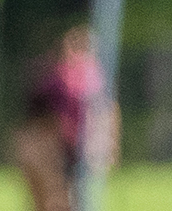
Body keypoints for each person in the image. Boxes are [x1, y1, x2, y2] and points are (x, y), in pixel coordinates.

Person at [14, 26, 116, 211]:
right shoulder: (56, 81)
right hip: (54, 148)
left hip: (78, 149)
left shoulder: (94, 80)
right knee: (54, 200)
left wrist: (105, 145)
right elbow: (43, 119)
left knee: (69, 199)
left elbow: (108, 114)